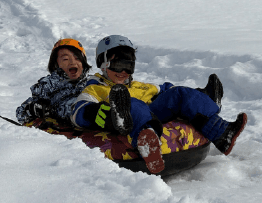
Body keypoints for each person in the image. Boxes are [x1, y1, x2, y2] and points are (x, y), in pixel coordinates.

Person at [72, 35, 247, 174]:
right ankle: (148, 145)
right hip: (127, 120)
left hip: (153, 114)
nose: (123, 72)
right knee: (132, 103)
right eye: (118, 65)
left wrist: (198, 95)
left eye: (129, 67)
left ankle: (222, 133)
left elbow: (168, 92)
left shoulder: (138, 85)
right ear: (103, 64)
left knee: (179, 93)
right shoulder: (95, 88)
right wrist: (103, 114)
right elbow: (78, 111)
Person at [16, 38, 92, 125]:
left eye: (77, 58)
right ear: (56, 64)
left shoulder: (92, 83)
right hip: (69, 120)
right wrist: (33, 109)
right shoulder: (49, 85)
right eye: (65, 59)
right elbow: (21, 113)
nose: (72, 62)